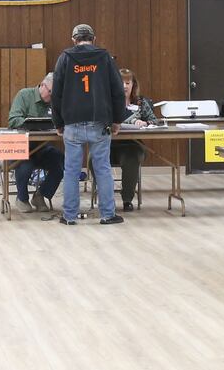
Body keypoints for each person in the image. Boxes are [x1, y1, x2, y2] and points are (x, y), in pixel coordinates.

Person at [51, 24, 125, 225]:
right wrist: (118, 120)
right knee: (102, 169)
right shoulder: (104, 58)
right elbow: (118, 91)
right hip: (99, 122)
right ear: (93, 38)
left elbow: (55, 94)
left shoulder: (65, 58)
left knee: (72, 171)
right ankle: (108, 214)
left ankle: (69, 216)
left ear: (73, 39)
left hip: (72, 123)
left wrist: (58, 122)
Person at [7, 73, 65, 212]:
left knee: (60, 162)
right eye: (50, 93)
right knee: (25, 165)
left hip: (42, 147)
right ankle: (22, 198)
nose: (52, 97)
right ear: (43, 85)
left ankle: (41, 195)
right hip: (21, 147)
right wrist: (32, 123)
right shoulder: (24, 95)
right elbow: (13, 120)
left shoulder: (54, 102)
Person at [112, 68, 159, 211]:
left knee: (132, 158)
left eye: (128, 82)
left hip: (132, 145)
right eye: (121, 83)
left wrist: (145, 123)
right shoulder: (108, 101)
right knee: (94, 159)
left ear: (133, 85)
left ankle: (127, 199)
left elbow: (154, 121)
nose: (125, 86)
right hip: (108, 145)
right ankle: (106, 199)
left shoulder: (140, 102)